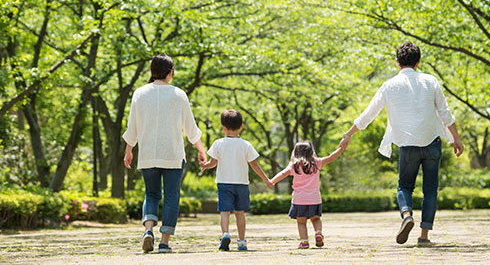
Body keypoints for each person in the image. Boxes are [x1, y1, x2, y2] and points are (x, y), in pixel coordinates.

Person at [339, 42, 464, 247]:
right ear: (419, 61)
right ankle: (424, 236)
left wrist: (348, 134)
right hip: (432, 142)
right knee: (430, 190)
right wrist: (456, 139)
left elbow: (368, 114)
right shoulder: (430, 81)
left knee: (404, 187)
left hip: (407, 145)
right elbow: (445, 113)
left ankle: (407, 215)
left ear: (397, 62)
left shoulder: (389, 85)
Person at [122, 53, 207, 253]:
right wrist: (201, 151)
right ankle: (164, 242)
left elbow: (132, 126)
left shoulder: (139, 93)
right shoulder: (179, 94)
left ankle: (148, 231)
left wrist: (129, 150)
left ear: (152, 71)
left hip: (148, 153)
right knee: (171, 196)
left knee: (151, 194)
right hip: (173, 154)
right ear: (170, 72)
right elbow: (190, 129)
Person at [200, 109, 273, 251]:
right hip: (242, 184)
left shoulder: (218, 143)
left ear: (223, 127)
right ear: (241, 126)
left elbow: (212, 163)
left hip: (224, 183)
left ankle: (225, 234)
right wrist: (266, 179)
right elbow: (255, 165)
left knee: (224, 211)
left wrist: (205, 165)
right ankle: (241, 241)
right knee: (240, 212)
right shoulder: (246, 145)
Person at [270, 141, 345, 249]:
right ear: (311, 151)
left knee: (301, 222)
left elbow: (282, 173)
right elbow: (330, 158)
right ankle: (318, 232)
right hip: (314, 198)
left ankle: (304, 242)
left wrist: (272, 181)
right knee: (316, 219)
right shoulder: (316, 162)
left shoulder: (294, 165)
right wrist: (340, 149)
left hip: (299, 199)